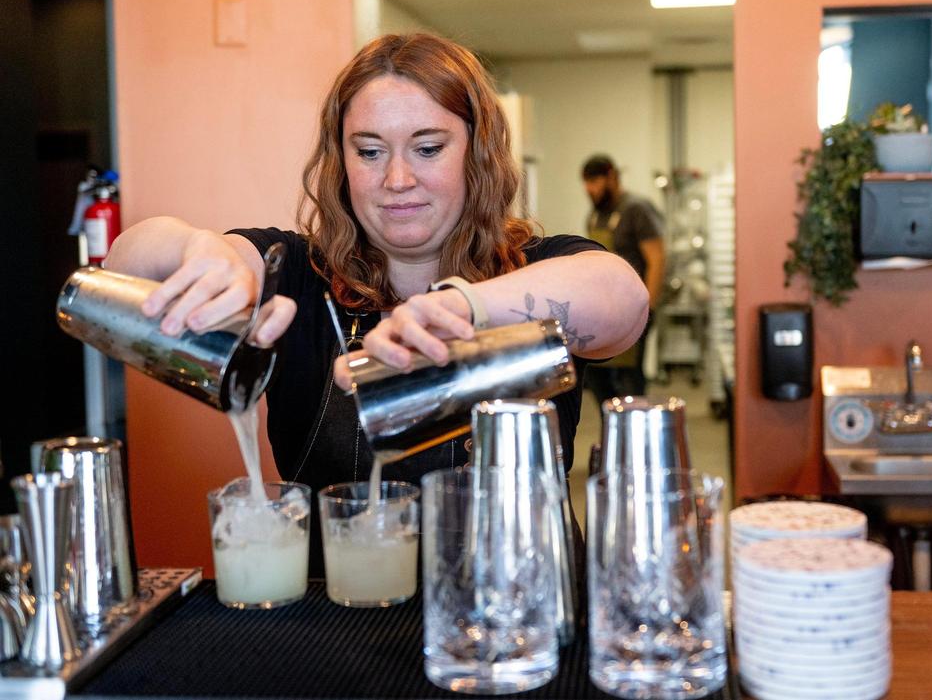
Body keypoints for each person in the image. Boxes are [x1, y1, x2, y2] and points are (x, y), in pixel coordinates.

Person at [104, 33, 648, 575]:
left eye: (428, 149)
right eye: (369, 152)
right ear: (341, 161)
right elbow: (125, 266)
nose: (397, 179)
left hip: (525, 609)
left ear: (478, 152)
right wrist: (194, 250)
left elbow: (624, 301)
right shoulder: (298, 275)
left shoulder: (537, 268)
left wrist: (462, 307)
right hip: (336, 614)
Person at [580, 154, 665, 402]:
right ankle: (609, 425)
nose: (589, 189)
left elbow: (657, 259)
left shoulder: (636, 209)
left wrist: (649, 308)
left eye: (594, 181)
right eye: (586, 183)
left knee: (629, 381)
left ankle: (632, 424)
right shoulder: (595, 215)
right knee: (597, 376)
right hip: (603, 310)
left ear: (612, 177)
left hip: (633, 307)